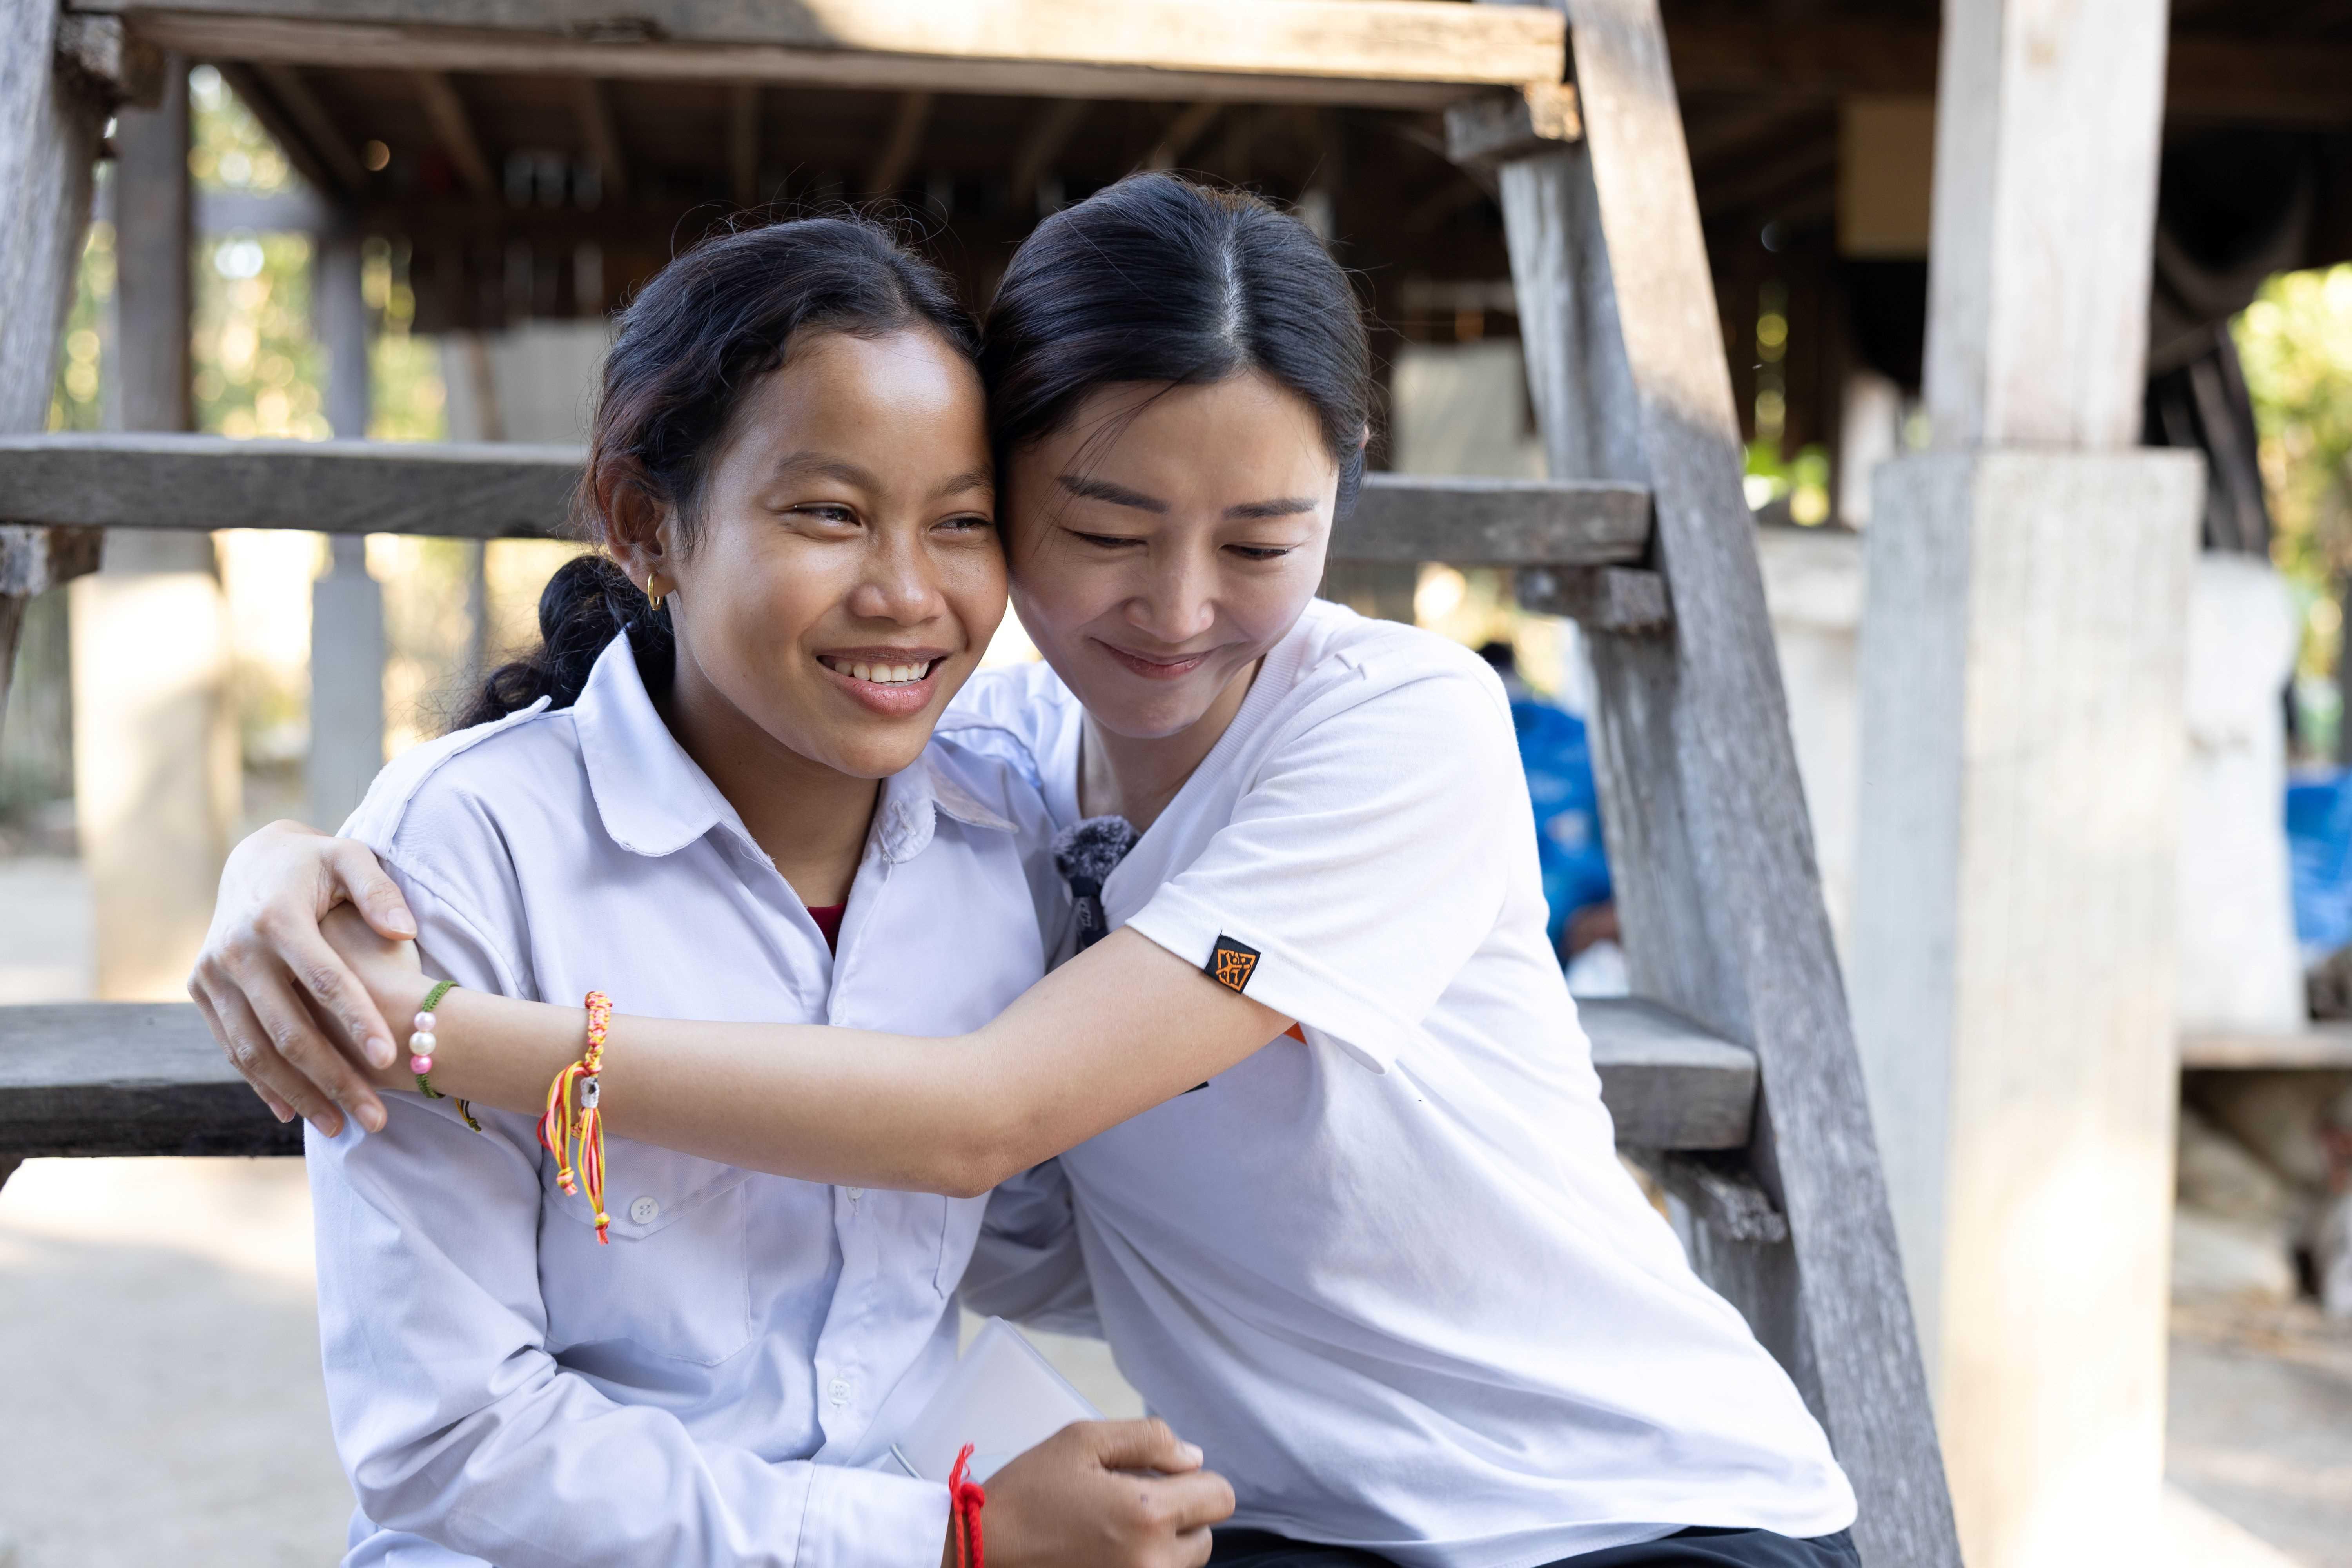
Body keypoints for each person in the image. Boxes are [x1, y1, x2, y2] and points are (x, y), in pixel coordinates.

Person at [194, 175, 1860, 1568]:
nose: (1181, 605)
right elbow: (1014, 1226)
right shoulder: (977, 769)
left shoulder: (1384, 730)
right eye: (1104, 529)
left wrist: (442, 1031)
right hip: (1303, 1520)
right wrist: (278, 859)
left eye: (1265, 541)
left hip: (1621, 1514)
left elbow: (979, 1125)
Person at [262, 214, 1232, 1568]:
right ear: (646, 521)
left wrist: (1256, 992)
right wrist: (948, 1541)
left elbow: (1075, 1175)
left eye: (962, 524)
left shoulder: (1008, 828)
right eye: (830, 514)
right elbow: (448, 1441)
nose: (907, 593)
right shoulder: (464, 856)